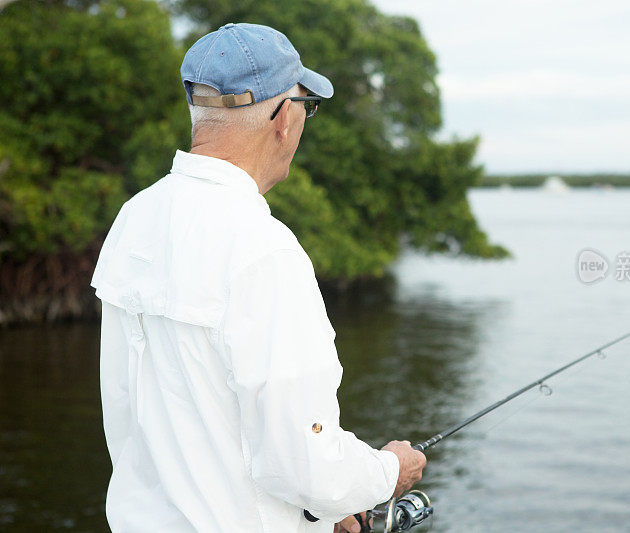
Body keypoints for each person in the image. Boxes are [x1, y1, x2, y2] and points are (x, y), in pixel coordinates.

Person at [90, 23, 426, 532]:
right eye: (305, 107)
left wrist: (320, 516)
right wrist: (388, 471)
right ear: (284, 118)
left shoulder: (134, 218)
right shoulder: (263, 250)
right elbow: (306, 465)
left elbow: (158, 419)